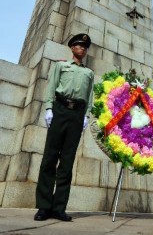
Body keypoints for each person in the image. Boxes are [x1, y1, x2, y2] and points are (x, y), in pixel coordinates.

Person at [34, 33, 94, 222]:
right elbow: (51, 86)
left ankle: (59, 207)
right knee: (50, 158)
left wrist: (86, 115)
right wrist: (49, 108)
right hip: (60, 109)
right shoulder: (61, 66)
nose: (82, 49)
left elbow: (90, 95)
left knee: (67, 162)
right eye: (78, 45)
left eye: (85, 47)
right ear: (72, 47)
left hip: (77, 114)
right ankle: (44, 206)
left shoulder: (88, 73)